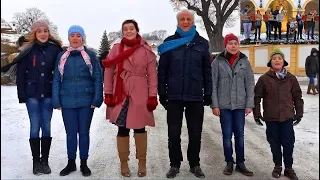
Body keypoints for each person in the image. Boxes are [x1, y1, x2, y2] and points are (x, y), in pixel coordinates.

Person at [157, 9, 212, 179]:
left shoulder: (202, 43)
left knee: (195, 132)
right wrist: (162, 93)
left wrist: (208, 93)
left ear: (193, 21)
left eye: (188, 19)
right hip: (174, 95)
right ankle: (174, 164)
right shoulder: (169, 43)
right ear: (178, 22)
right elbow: (162, 71)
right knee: (173, 132)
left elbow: (207, 71)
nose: (185, 21)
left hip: (195, 95)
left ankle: (194, 164)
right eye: (182, 19)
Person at [102, 19, 158, 178]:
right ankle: (124, 163)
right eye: (125, 29)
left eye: (131, 28)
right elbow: (108, 71)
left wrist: (152, 96)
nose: (128, 31)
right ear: (122, 32)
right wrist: (108, 93)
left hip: (140, 92)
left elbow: (153, 75)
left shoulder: (146, 50)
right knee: (122, 128)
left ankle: (142, 162)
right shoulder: (116, 49)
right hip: (120, 92)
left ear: (137, 30)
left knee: (140, 128)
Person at [52, 25, 103, 177]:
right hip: (66, 100)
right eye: (72, 35)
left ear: (82, 38)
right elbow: (56, 79)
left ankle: (84, 163)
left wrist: (97, 98)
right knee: (70, 133)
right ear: (68, 38)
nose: (75, 38)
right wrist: (56, 100)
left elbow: (97, 78)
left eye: (78, 35)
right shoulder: (62, 56)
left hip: (86, 101)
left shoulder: (90, 55)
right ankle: (71, 162)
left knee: (84, 132)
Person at [13, 20, 62, 175]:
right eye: (39, 31)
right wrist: (22, 94)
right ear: (34, 33)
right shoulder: (28, 50)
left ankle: (45, 161)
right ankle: (36, 162)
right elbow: (20, 74)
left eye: (45, 30)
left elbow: (60, 72)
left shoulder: (55, 50)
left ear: (49, 33)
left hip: (48, 93)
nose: (43, 34)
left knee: (46, 125)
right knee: (35, 126)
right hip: (31, 94)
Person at [254, 48, 304, 180]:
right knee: (274, 143)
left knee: (288, 143)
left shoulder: (291, 79)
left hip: (287, 117)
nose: (277, 60)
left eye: (279, 58)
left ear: (283, 62)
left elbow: (298, 97)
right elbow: (257, 97)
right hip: (271, 118)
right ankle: (277, 166)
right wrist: (257, 114)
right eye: (274, 58)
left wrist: (299, 112)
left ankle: (288, 168)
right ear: (270, 62)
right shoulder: (264, 79)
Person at [211, 33, 254, 177]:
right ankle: (229, 162)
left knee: (240, 135)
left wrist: (249, 104)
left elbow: (249, 83)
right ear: (226, 45)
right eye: (230, 43)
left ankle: (241, 163)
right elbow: (213, 85)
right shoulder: (218, 61)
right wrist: (215, 105)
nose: (233, 46)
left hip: (240, 105)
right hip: (224, 105)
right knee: (227, 136)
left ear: (238, 45)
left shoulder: (244, 61)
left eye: (235, 43)